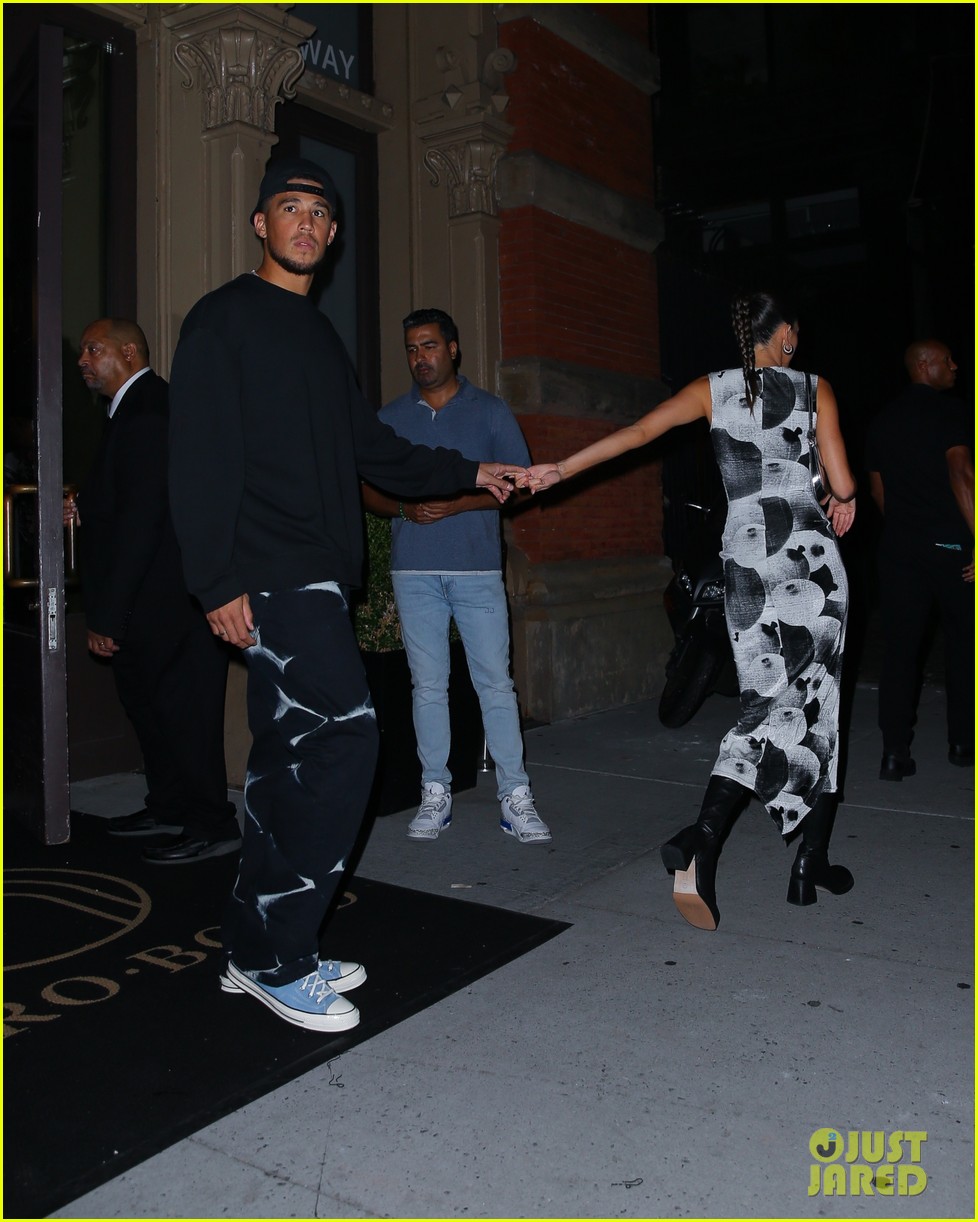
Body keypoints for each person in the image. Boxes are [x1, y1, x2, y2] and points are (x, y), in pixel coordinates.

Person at [166, 158, 524, 1033]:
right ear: (261, 224)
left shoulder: (319, 338)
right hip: (270, 574)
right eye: (289, 208)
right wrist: (215, 578)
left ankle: (257, 943)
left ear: (330, 236)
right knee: (344, 745)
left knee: (292, 761)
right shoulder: (222, 320)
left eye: (320, 214)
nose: (305, 223)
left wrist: (476, 469)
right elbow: (198, 454)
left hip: (315, 575)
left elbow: (375, 450)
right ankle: (274, 959)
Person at [521, 291, 858, 930]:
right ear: (784, 334)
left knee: (767, 705)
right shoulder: (817, 390)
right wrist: (849, 497)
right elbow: (839, 484)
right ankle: (723, 842)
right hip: (810, 569)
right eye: (795, 332)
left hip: (746, 566)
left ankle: (792, 858)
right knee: (814, 707)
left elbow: (640, 433)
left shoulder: (713, 389)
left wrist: (561, 468)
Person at [361, 309, 550, 845]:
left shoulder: (489, 411)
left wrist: (456, 507)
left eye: (429, 346)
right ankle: (434, 791)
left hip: (475, 570)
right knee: (428, 686)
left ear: (454, 348)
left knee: (494, 683)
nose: (420, 357)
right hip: (413, 570)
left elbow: (518, 482)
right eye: (411, 349)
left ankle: (515, 795)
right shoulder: (392, 416)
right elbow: (365, 486)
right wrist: (402, 510)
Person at [70, 318, 240, 863]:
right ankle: (169, 806)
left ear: (128, 351)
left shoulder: (146, 412)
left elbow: (143, 524)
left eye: (92, 350)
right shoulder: (136, 409)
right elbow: (130, 501)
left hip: (164, 605)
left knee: (183, 716)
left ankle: (212, 823)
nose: (82, 361)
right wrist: (88, 504)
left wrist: (106, 615)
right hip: (157, 602)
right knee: (152, 710)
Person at [865, 340, 974, 779]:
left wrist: (908, 533)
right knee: (965, 645)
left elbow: (878, 491)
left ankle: (894, 753)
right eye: (948, 359)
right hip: (951, 550)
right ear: (925, 365)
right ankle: (964, 744)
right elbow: (962, 474)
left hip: (898, 550)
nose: (955, 365)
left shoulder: (880, 421)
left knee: (900, 651)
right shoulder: (953, 412)